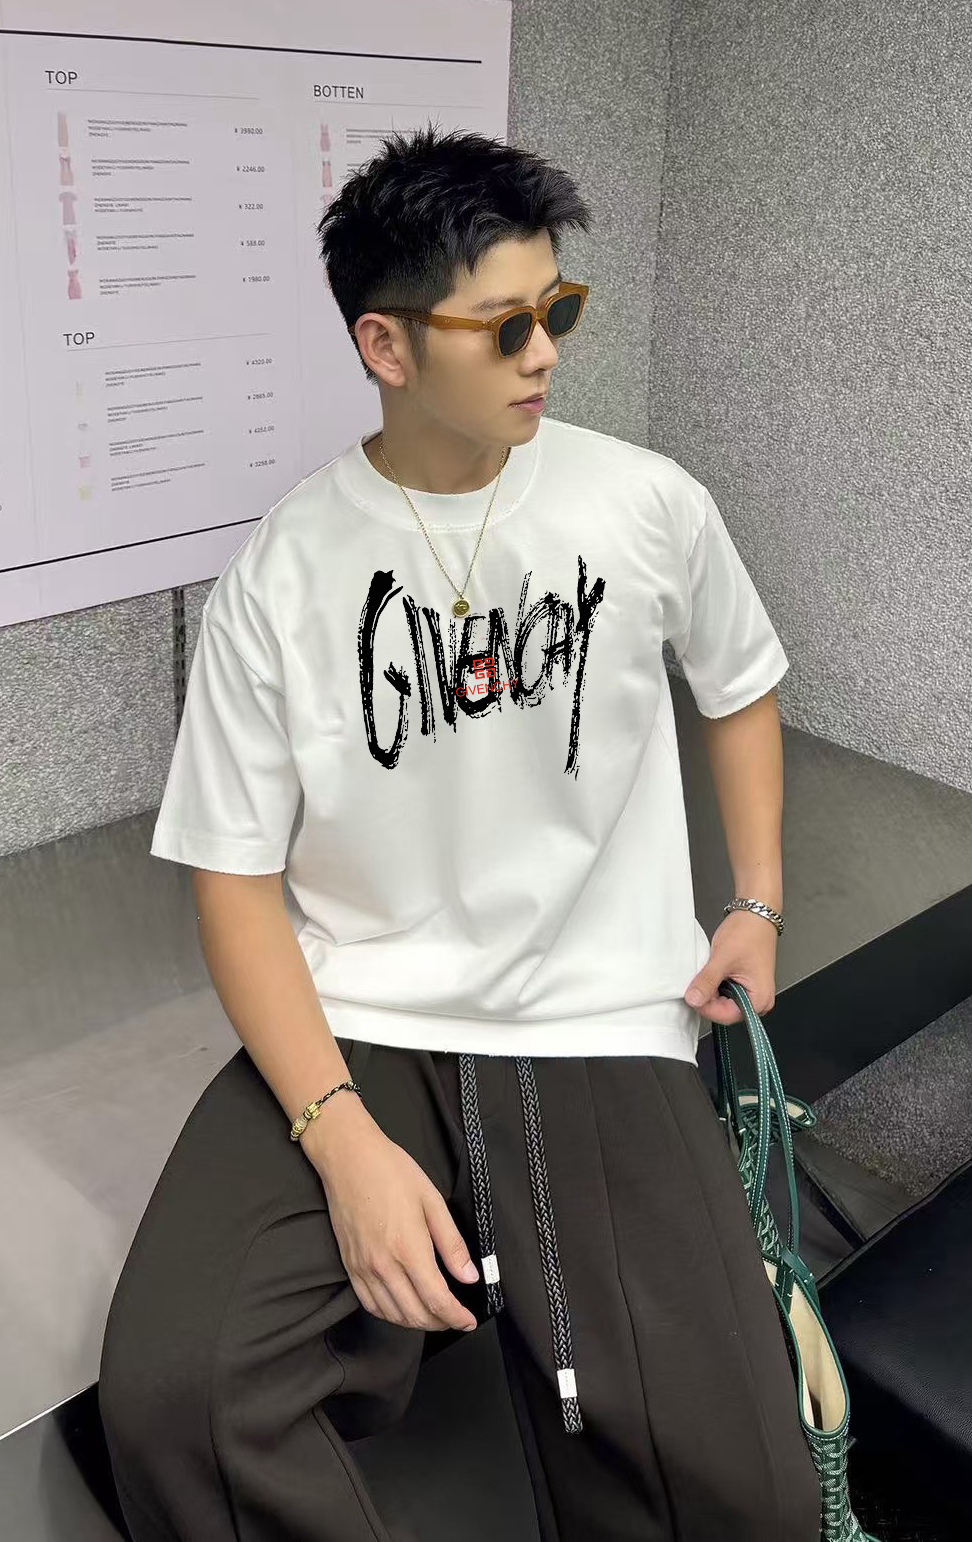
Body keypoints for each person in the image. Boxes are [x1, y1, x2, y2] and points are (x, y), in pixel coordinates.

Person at [97, 122, 821, 1541]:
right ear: (384, 345)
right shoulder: (282, 576)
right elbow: (235, 886)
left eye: (559, 309)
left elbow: (741, 685)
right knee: (181, 1392)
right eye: (503, 326)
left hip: (601, 1013)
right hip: (364, 1020)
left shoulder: (647, 503)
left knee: (746, 1491)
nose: (545, 352)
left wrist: (759, 899)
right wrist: (340, 1140)